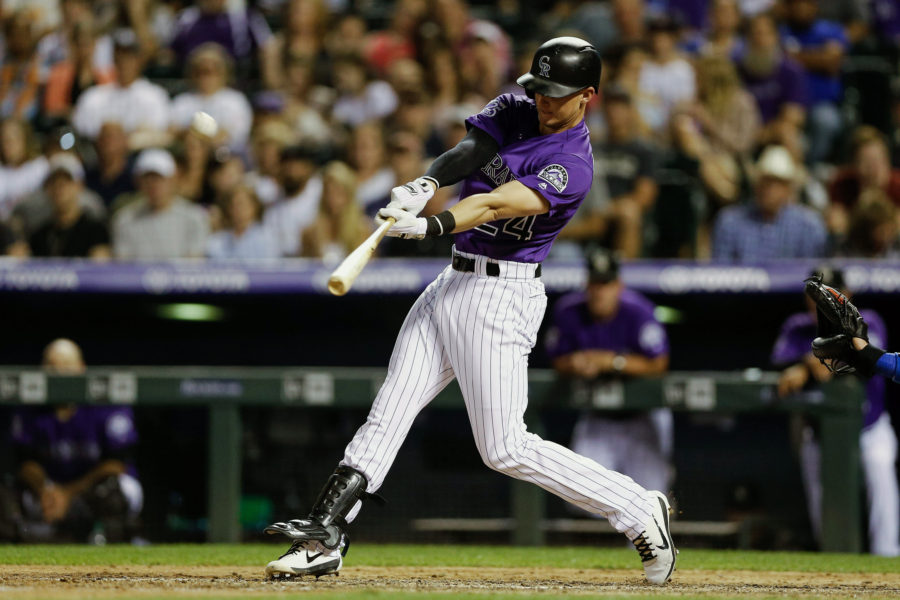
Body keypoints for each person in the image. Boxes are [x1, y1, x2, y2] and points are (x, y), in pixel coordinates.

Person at [263, 37, 677, 586]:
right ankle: (325, 536)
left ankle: (637, 507)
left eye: (557, 95)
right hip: (452, 280)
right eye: (541, 90)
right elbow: (470, 153)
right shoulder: (516, 108)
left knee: (504, 447)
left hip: (500, 298)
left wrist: (433, 223)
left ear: (588, 96)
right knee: (388, 413)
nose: (544, 102)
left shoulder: (573, 163)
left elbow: (494, 203)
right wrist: (427, 182)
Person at [774, 268, 898, 556]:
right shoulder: (797, 327)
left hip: (870, 426)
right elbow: (778, 366)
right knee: (821, 496)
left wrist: (812, 363)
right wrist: (804, 365)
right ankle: (831, 561)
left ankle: (887, 553)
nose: (825, 302)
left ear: (847, 295)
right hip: (817, 430)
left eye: (832, 294)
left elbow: (871, 359)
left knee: (881, 477)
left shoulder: (868, 321)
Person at [546, 249, 672, 496]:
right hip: (597, 418)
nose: (599, 291)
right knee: (582, 495)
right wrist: (576, 363)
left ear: (618, 286)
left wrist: (612, 361)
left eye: (605, 284)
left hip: (642, 418)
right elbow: (557, 359)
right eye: (594, 283)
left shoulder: (639, 312)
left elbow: (659, 364)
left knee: (651, 497)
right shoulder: (569, 312)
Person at [0, 339, 142, 543]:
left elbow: (116, 464)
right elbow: (25, 461)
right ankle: (26, 541)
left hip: (89, 491)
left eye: (66, 365)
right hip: (49, 495)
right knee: (8, 490)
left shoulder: (104, 405)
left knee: (111, 491)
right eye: (51, 365)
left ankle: (114, 542)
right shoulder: (30, 410)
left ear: (81, 369)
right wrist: (46, 491)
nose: (58, 372)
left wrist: (67, 494)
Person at [712, 145, 826, 261]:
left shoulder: (808, 226)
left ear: (788, 190)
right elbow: (721, 272)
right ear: (756, 185)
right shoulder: (730, 222)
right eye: (765, 181)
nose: (769, 190)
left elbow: (813, 272)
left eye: (777, 183)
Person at [71, 29, 171, 148]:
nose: (124, 62)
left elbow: (161, 133)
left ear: (139, 60)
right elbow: (81, 130)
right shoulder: (94, 96)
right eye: (119, 56)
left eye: (129, 56)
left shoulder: (155, 95)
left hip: (138, 158)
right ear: (113, 59)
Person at [112, 148, 209, 260]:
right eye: (147, 178)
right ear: (138, 182)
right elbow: (122, 265)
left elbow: (194, 265)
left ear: (172, 179)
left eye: (159, 178)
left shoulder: (194, 217)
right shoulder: (125, 220)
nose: (153, 184)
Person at [169, 43, 253, 152]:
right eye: (202, 71)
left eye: (213, 70)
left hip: (224, 154)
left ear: (224, 72)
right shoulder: (182, 101)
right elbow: (171, 131)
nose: (206, 76)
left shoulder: (235, 100)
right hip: (186, 152)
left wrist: (199, 135)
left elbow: (233, 135)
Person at [28, 153, 110, 259]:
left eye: (65, 182)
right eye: (54, 182)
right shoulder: (39, 235)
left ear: (79, 185)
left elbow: (100, 269)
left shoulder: (95, 231)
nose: (59, 188)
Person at [206, 185, 278, 260]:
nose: (238, 209)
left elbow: (270, 268)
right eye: (233, 205)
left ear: (254, 207)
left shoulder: (266, 237)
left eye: (241, 204)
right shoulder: (218, 240)